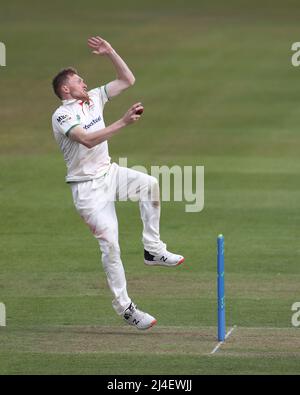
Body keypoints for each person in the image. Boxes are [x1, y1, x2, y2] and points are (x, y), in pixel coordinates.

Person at [51, 36, 184, 330]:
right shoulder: (62, 115)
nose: (84, 82)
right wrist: (123, 122)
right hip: (87, 190)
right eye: (78, 80)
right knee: (111, 246)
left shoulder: (95, 98)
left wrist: (110, 52)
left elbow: (127, 79)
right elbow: (85, 140)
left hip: (109, 173)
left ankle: (153, 249)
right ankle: (125, 308)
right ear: (65, 89)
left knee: (150, 185)